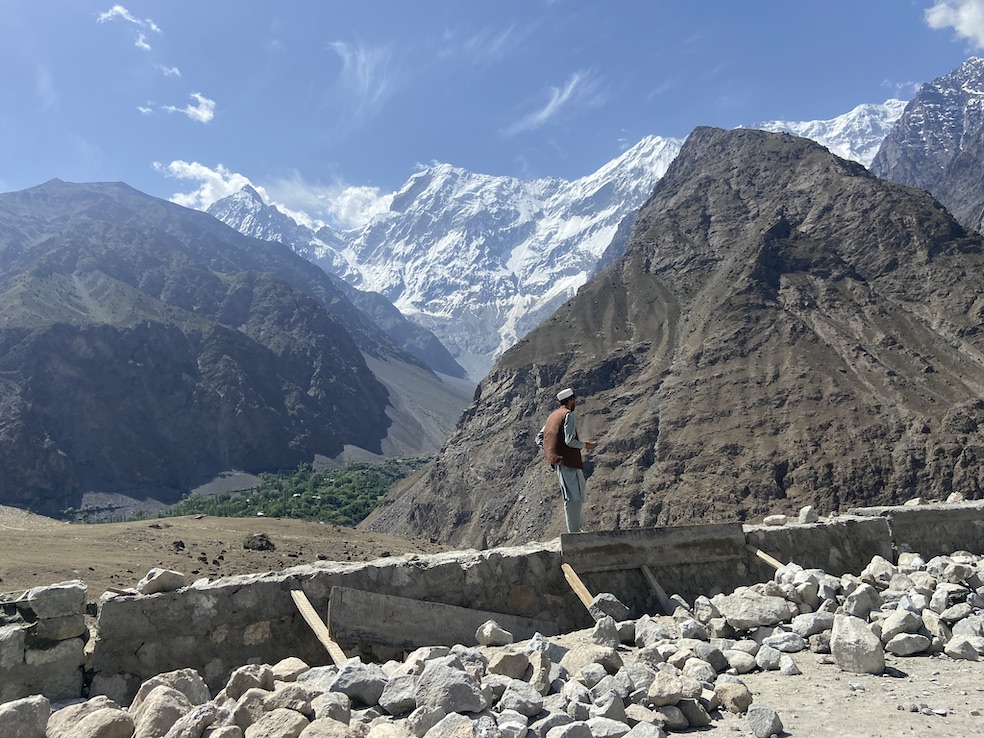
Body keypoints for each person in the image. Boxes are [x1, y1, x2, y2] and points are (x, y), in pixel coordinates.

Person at [536, 387, 597, 533]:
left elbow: (539, 438)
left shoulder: (553, 416)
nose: (575, 402)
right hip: (567, 461)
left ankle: (575, 530)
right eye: (574, 400)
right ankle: (574, 533)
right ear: (570, 400)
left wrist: (551, 450)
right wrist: (586, 445)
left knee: (573, 495)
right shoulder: (568, 415)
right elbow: (570, 441)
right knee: (573, 497)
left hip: (559, 462)